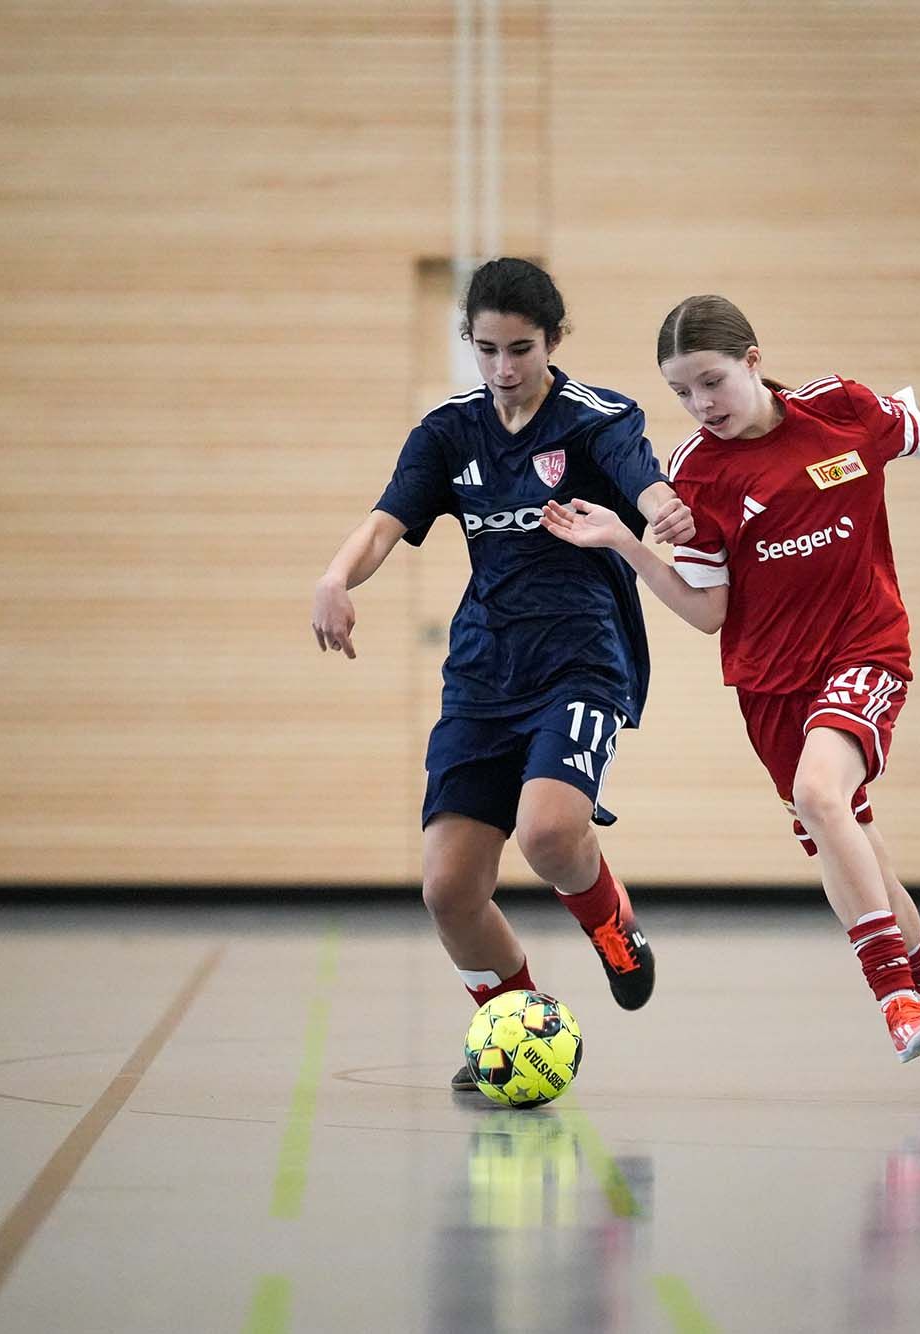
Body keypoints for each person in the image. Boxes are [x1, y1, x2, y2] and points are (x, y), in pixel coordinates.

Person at [542, 294, 920, 1090]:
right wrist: (625, 545)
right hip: (770, 689)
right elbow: (708, 612)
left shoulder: (843, 411)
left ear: (753, 360)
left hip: (864, 648)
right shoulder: (695, 473)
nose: (700, 405)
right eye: (682, 393)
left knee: (822, 793)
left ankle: (895, 998)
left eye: (711, 382)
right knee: (855, 850)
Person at [311, 258, 693, 1091]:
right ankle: (515, 1023)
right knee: (449, 889)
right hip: (484, 674)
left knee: (550, 833)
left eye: (521, 348)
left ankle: (615, 928)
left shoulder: (597, 419)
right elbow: (386, 523)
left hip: (582, 663)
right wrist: (338, 576)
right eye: (486, 350)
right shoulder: (450, 431)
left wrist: (661, 504)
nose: (505, 368)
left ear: (552, 340)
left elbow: (643, 477)